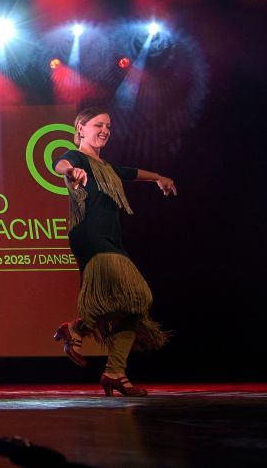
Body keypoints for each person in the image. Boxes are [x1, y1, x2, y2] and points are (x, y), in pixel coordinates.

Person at [53, 107, 176, 396]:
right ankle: (77, 330)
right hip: (90, 236)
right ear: (81, 128)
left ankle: (114, 373)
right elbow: (59, 164)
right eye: (99, 125)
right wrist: (71, 171)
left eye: (108, 126)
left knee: (134, 307)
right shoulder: (77, 158)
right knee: (138, 294)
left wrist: (158, 177)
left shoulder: (106, 167)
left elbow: (132, 173)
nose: (105, 130)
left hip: (111, 239)